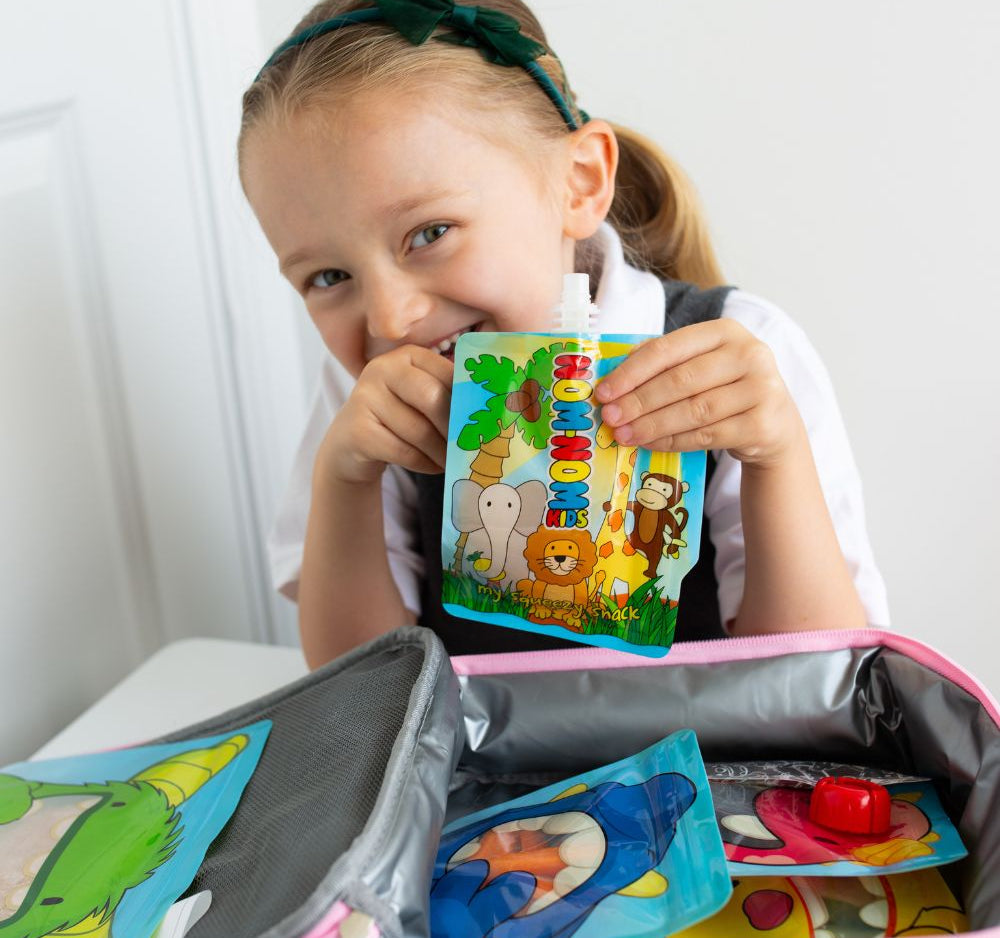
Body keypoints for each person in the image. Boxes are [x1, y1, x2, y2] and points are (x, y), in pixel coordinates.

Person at [238, 0, 889, 668]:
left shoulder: (746, 352)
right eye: (328, 275)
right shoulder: (362, 401)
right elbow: (355, 699)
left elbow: (821, 677)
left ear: (579, 184)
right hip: (484, 770)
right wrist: (346, 477)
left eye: (430, 234)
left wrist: (775, 457)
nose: (390, 320)